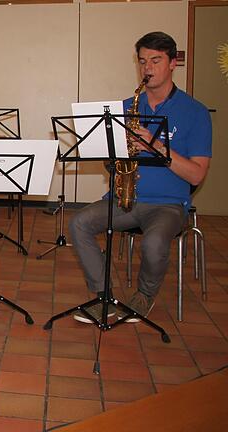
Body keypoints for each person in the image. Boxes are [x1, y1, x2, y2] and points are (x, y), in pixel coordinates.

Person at [70, 31, 212, 323]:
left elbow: (197, 174)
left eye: (156, 61)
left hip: (168, 204)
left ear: (173, 63)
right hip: (126, 198)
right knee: (78, 222)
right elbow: (109, 164)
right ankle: (104, 296)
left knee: (154, 242)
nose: (147, 68)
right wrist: (115, 157)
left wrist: (156, 147)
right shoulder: (124, 108)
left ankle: (144, 296)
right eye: (143, 61)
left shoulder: (195, 112)